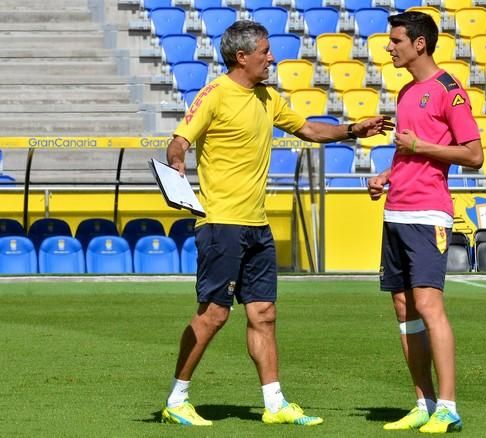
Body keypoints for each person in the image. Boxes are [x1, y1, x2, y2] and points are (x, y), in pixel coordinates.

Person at [161, 20, 393, 427]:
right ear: (242, 56)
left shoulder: (267, 97)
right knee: (214, 314)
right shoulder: (214, 93)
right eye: (265, 51)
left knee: (264, 313)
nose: (272, 57)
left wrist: (353, 130)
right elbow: (179, 140)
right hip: (221, 224)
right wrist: (178, 161)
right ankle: (177, 399)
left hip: (257, 225)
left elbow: (307, 129)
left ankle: (275, 403)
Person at [367, 12, 483, 434]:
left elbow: (474, 155)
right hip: (396, 210)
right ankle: (424, 402)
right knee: (403, 307)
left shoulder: (449, 92)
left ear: (419, 44)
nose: (389, 47)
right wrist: (387, 176)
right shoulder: (405, 91)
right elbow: (407, 154)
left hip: (428, 214)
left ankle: (448, 407)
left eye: (395, 40)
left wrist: (422, 145)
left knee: (430, 305)